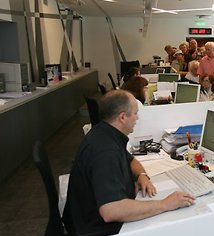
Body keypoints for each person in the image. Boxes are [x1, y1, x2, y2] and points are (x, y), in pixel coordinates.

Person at [62, 90, 195, 235]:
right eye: (135, 113)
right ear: (123, 117)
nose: (137, 118)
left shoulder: (104, 133)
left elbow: (130, 160)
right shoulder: (105, 152)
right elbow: (111, 210)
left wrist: (141, 175)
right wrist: (165, 204)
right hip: (97, 228)